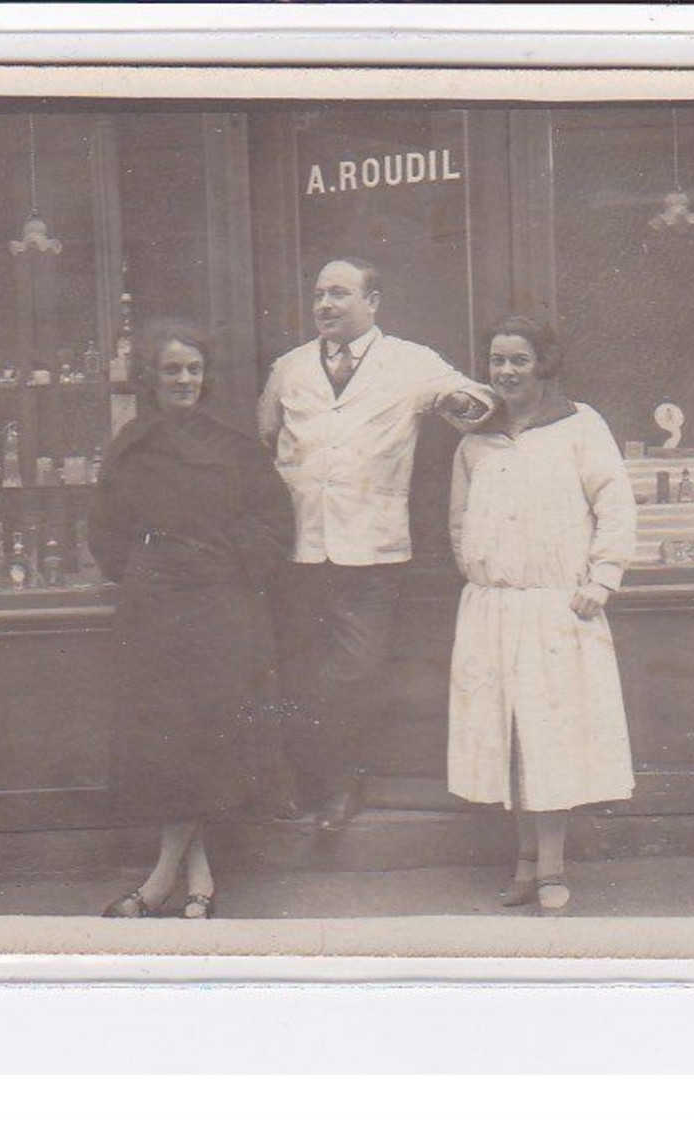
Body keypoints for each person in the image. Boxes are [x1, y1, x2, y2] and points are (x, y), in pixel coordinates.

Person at [257, 257, 498, 831]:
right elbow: (265, 439)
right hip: (299, 550)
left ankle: (342, 784)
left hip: (372, 554)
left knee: (354, 673)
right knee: (296, 670)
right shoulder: (289, 369)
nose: (325, 306)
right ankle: (308, 783)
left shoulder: (410, 363)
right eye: (318, 295)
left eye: (338, 294)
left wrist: (458, 406)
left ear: (374, 302)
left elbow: (478, 403)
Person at [91, 319, 294, 918]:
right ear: (151, 378)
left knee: (206, 739)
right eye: (172, 370)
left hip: (221, 609)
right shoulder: (131, 444)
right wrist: (144, 568)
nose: (183, 380)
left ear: (206, 377)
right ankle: (195, 877)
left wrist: (231, 560)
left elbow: (274, 521)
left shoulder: (233, 444)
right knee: (166, 742)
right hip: (155, 609)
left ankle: (162, 880)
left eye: (193, 370)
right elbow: (105, 528)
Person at [447, 316, 638, 914]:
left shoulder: (580, 427)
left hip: (558, 609)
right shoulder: (475, 439)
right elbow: (458, 520)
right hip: (493, 609)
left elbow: (615, 503)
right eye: (497, 361)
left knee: (549, 739)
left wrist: (601, 579)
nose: (505, 372)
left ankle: (551, 868)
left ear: (543, 365)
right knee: (510, 740)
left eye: (519, 360)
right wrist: (482, 573)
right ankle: (526, 865)